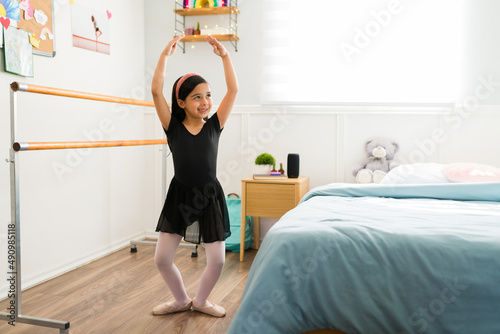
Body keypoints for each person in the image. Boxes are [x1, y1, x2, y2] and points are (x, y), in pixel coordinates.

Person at [151, 34, 238, 318]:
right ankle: (180, 300)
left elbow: (233, 90)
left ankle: (200, 301)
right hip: (180, 195)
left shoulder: (215, 125)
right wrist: (164, 55)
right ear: (182, 102)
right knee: (162, 259)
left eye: (208, 95)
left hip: (209, 196)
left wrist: (225, 57)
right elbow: (155, 91)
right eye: (197, 97)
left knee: (217, 260)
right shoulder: (172, 127)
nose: (205, 102)